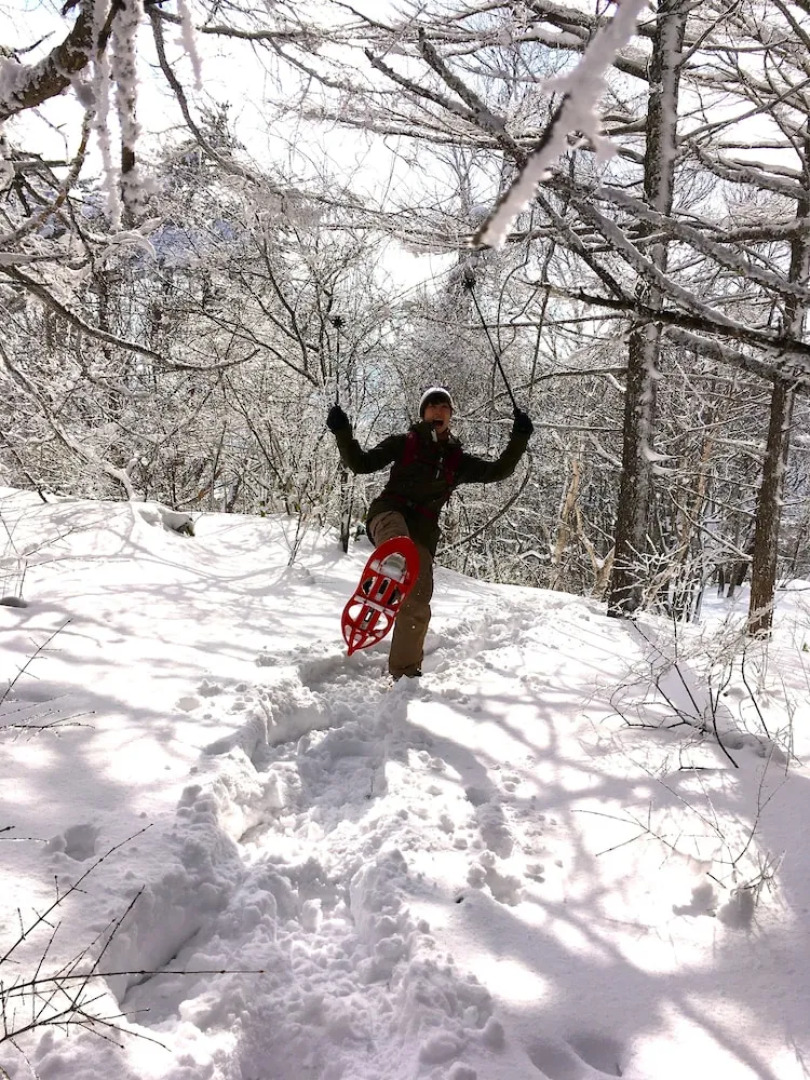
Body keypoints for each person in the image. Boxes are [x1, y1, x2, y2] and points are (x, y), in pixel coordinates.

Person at [327, 386, 533, 680]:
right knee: (400, 543)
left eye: (444, 407)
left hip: (422, 534)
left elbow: (498, 470)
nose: (438, 411)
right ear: (423, 413)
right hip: (388, 515)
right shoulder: (404, 444)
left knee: (418, 597)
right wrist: (342, 430)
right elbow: (360, 464)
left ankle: (405, 675)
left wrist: (519, 438)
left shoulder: (457, 461)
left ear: (450, 416)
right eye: (432, 406)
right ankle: (393, 567)